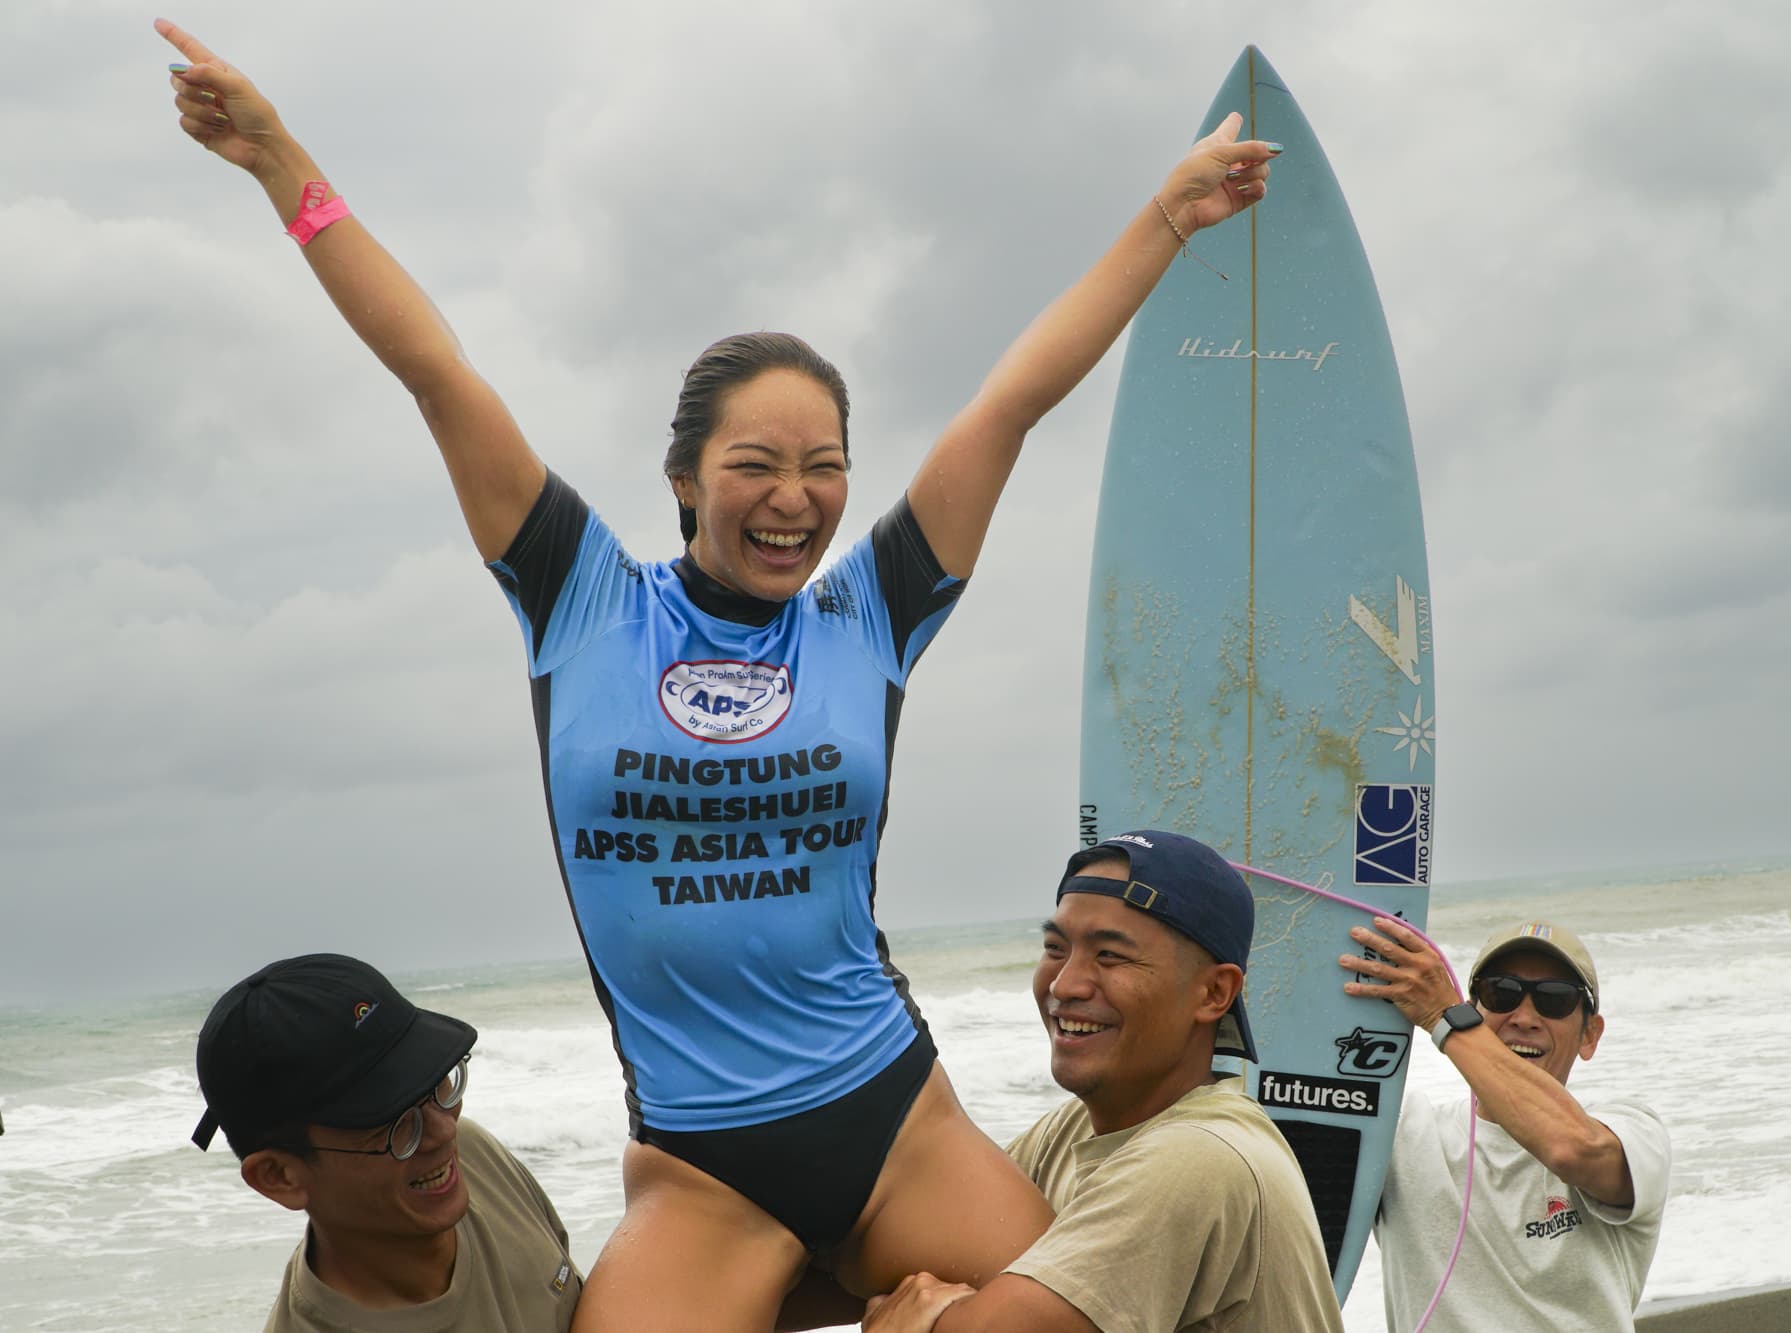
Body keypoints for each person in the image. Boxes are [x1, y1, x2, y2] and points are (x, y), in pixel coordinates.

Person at [155, 20, 1281, 1331]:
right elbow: (431, 366)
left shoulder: (871, 613)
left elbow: (1011, 402)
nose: (796, 499)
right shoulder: (581, 600)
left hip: (893, 1116)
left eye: (826, 465)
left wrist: (1167, 215)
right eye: (757, 463)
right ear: (686, 476)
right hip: (703, 1164)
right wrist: (279, 162)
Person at [862, 831, 1343, 1332]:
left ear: (1213, 992)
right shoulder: (1067, 1133)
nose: (1065, 984)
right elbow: (906, 1240)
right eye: (1055, 947)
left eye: (1110, 956)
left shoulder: (1202, 1156)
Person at [190, 953, 582, 1331]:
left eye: (438, 1085)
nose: (444, 1132)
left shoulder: (473, 1154)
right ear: (279, 1176)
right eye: (394, 1121)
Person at [1340, 917, 1671, 1332]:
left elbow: (1572, 1149)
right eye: (1502, 993)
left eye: (1554, 999)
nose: (1525, 1017)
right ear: (1477, 1008)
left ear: (1590, 1034)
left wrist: (1445, 1018)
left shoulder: (1633, 1132)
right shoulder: (1406, 1131)